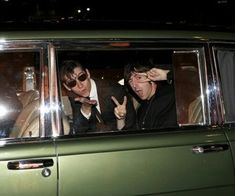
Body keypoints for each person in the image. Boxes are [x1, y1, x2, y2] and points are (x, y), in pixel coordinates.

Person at [60, 60, 136, 134]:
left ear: (88, 73)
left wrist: (120, 119)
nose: (80, 85)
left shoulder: (114, 90)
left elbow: (131, 126)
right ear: (67, 87)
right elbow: (79, 130)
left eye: (82, 77)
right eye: (72, 83)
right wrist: (85, 110)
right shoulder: (74, 97)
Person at [124, 60, 177, 130]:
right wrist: (121, 119)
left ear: (151, 77)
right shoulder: (141, 109)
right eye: (130, 81)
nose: (134, 85)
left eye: (139, 78)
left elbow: (193, 77)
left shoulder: (169, 95)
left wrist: (166, 75)